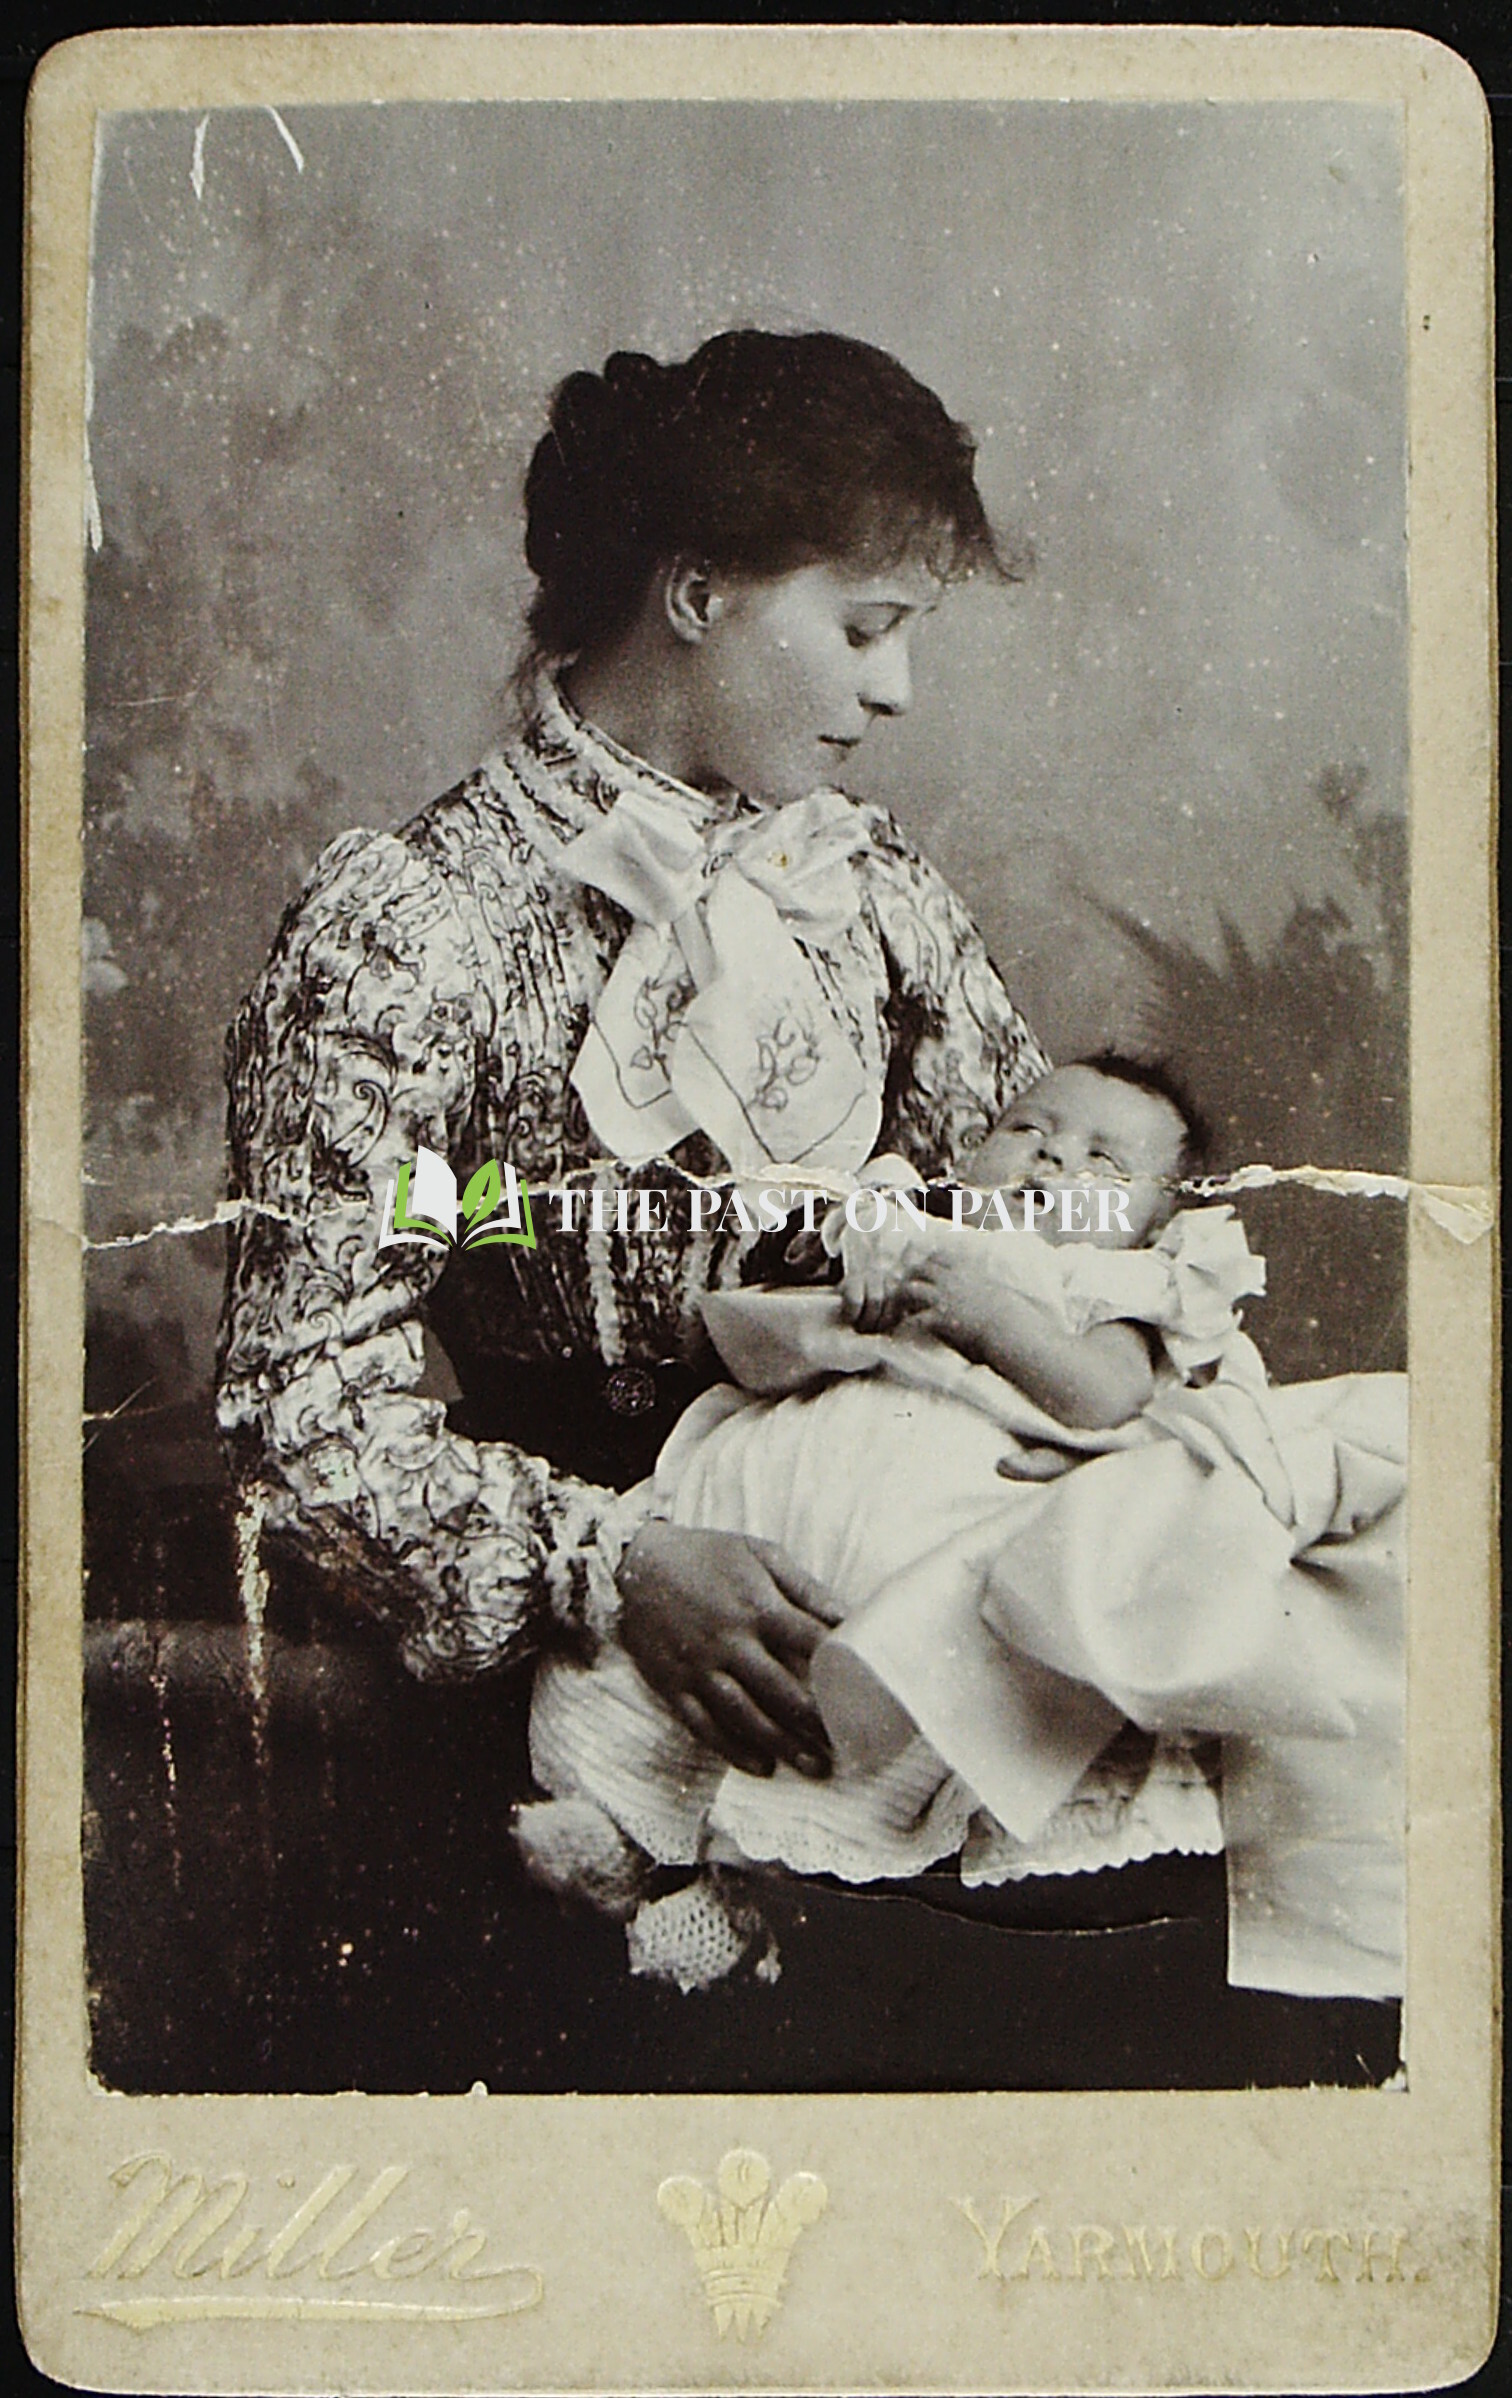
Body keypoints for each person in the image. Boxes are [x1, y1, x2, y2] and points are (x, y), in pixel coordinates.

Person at [217, 326, 1050, 1792]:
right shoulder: (418, 927)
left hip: (895, 1581)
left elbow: (1039, 1219)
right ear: (696, 594)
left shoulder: (867, 888)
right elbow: (303, 1404)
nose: (901, 689)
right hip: (586, 1661)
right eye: (866, 629)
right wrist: (613, 1562)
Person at [518, 1058, 1406, 2007]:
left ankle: (738, 1892)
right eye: (1031, 1130)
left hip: (937, 1522)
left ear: (1155, 1218)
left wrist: (993, 1321)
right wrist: (848, 1269)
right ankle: (630, 1854)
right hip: (786, 1486)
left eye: (1104, 1163)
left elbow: (1107, 1397)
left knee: (852, 1718)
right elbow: (756, 1327)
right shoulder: (906, 1218)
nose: (1055, 1160)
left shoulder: (1116, 1287)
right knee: (639, 1686)